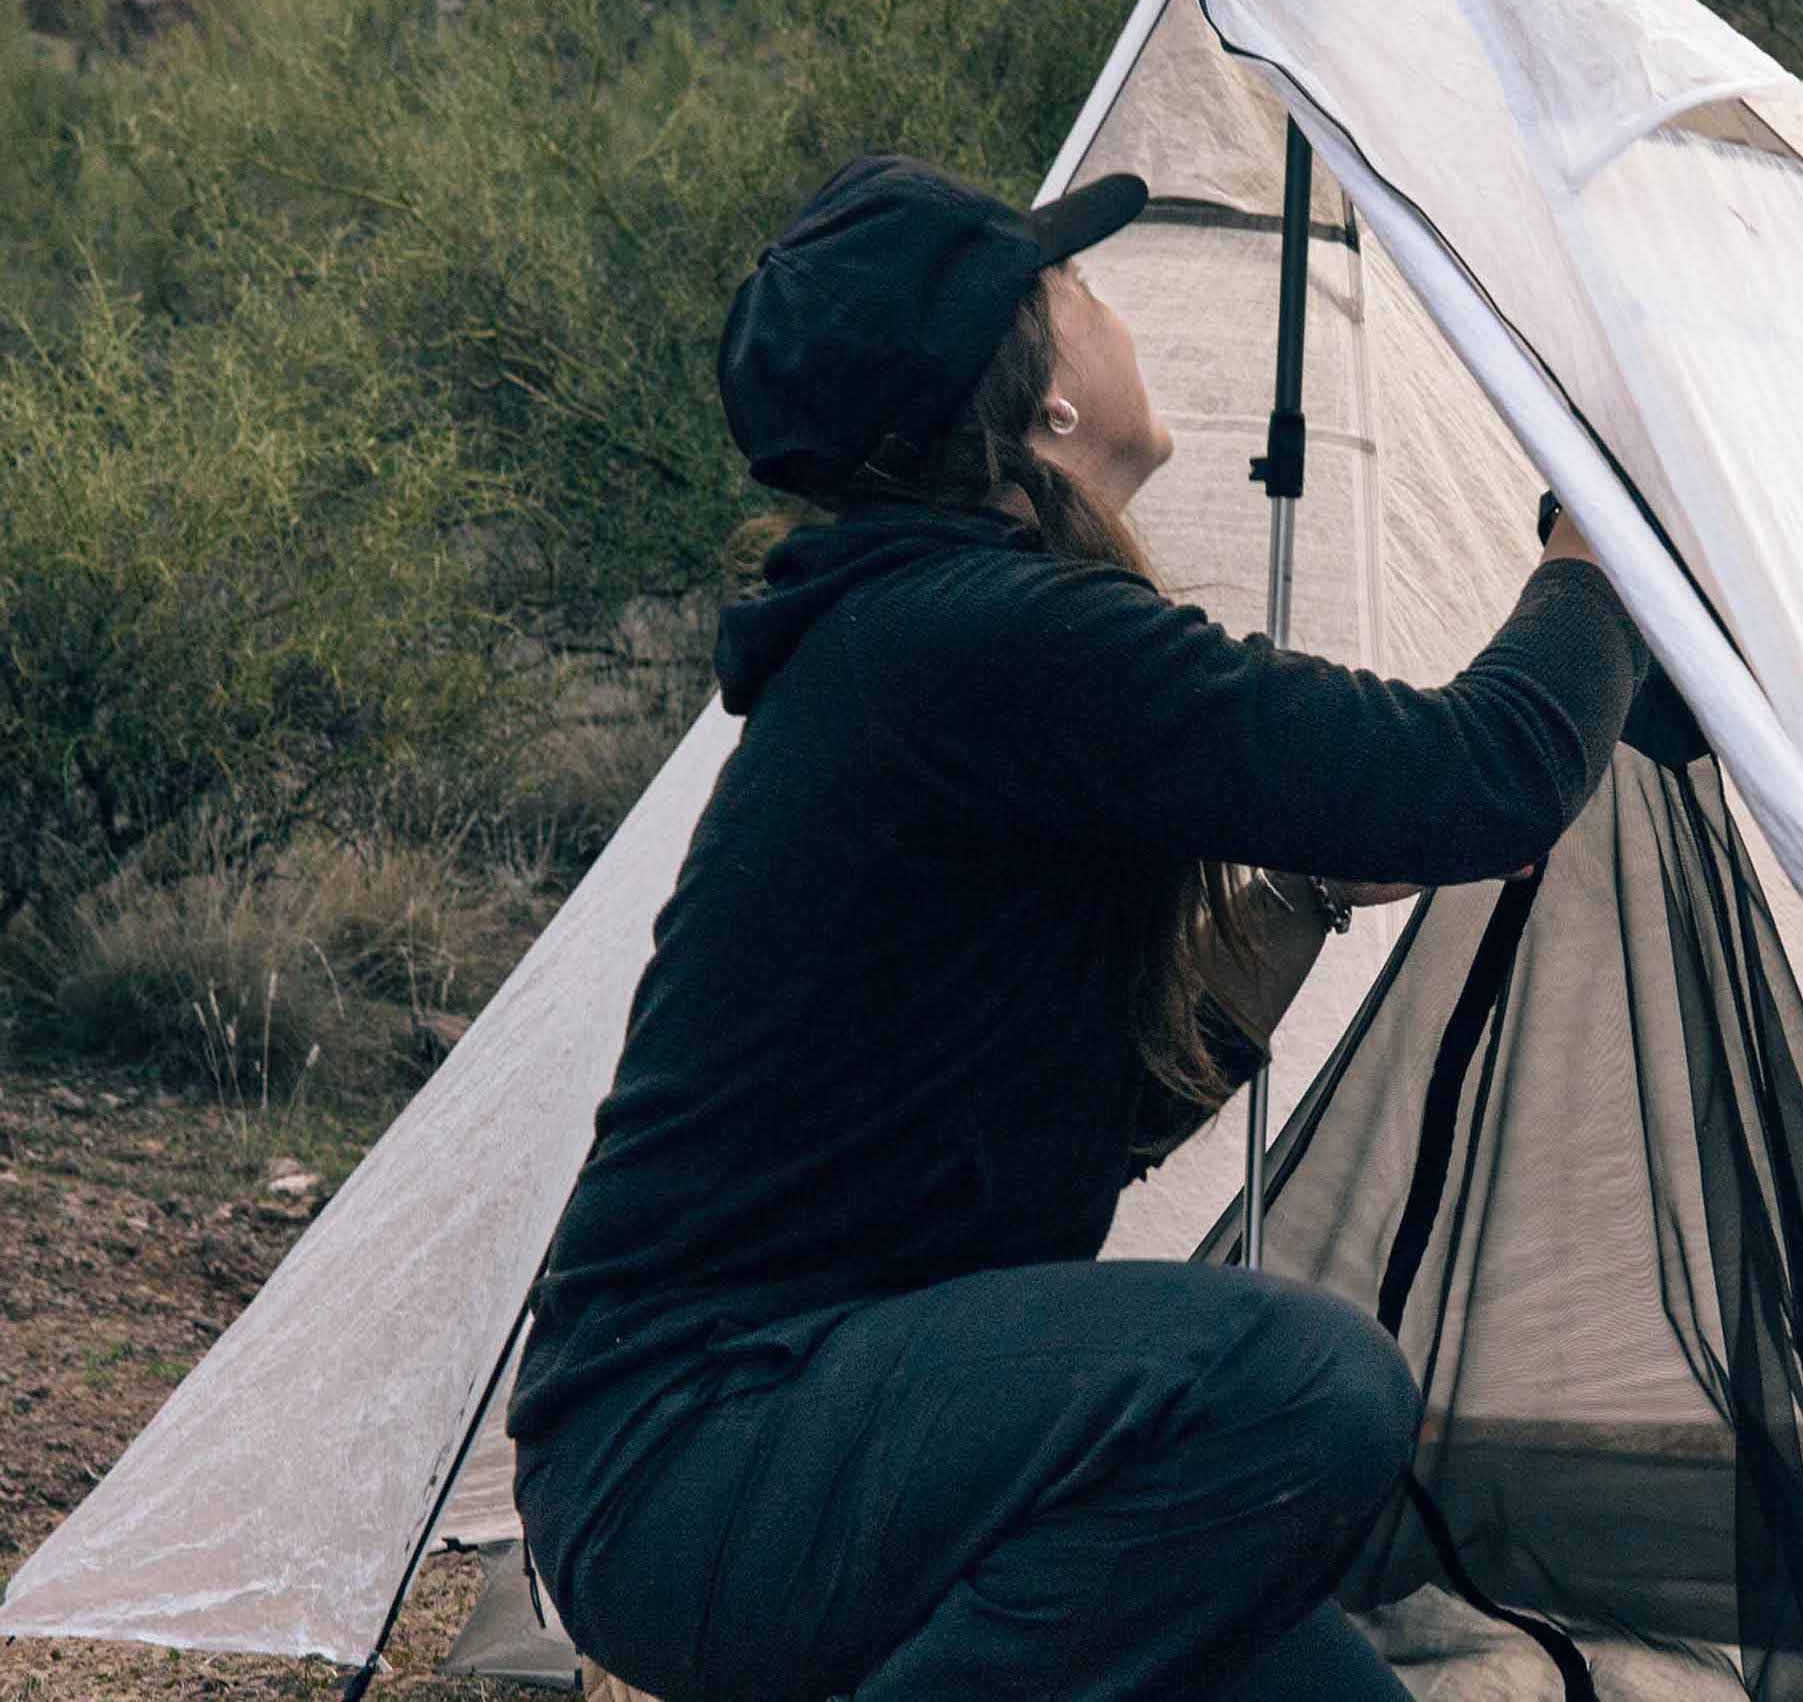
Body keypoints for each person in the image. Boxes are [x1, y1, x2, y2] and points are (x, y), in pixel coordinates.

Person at [505, 153, 1648, 1702]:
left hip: (808, 1443)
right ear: (1040, 400)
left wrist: (1308, 893)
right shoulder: (982, 637)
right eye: (1074, 286)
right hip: (699, 1453)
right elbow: (1482, 775)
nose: (1112, 308)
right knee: (1304, 1386)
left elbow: (1090, 1124)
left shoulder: (951, 646)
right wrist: (1606, 545)